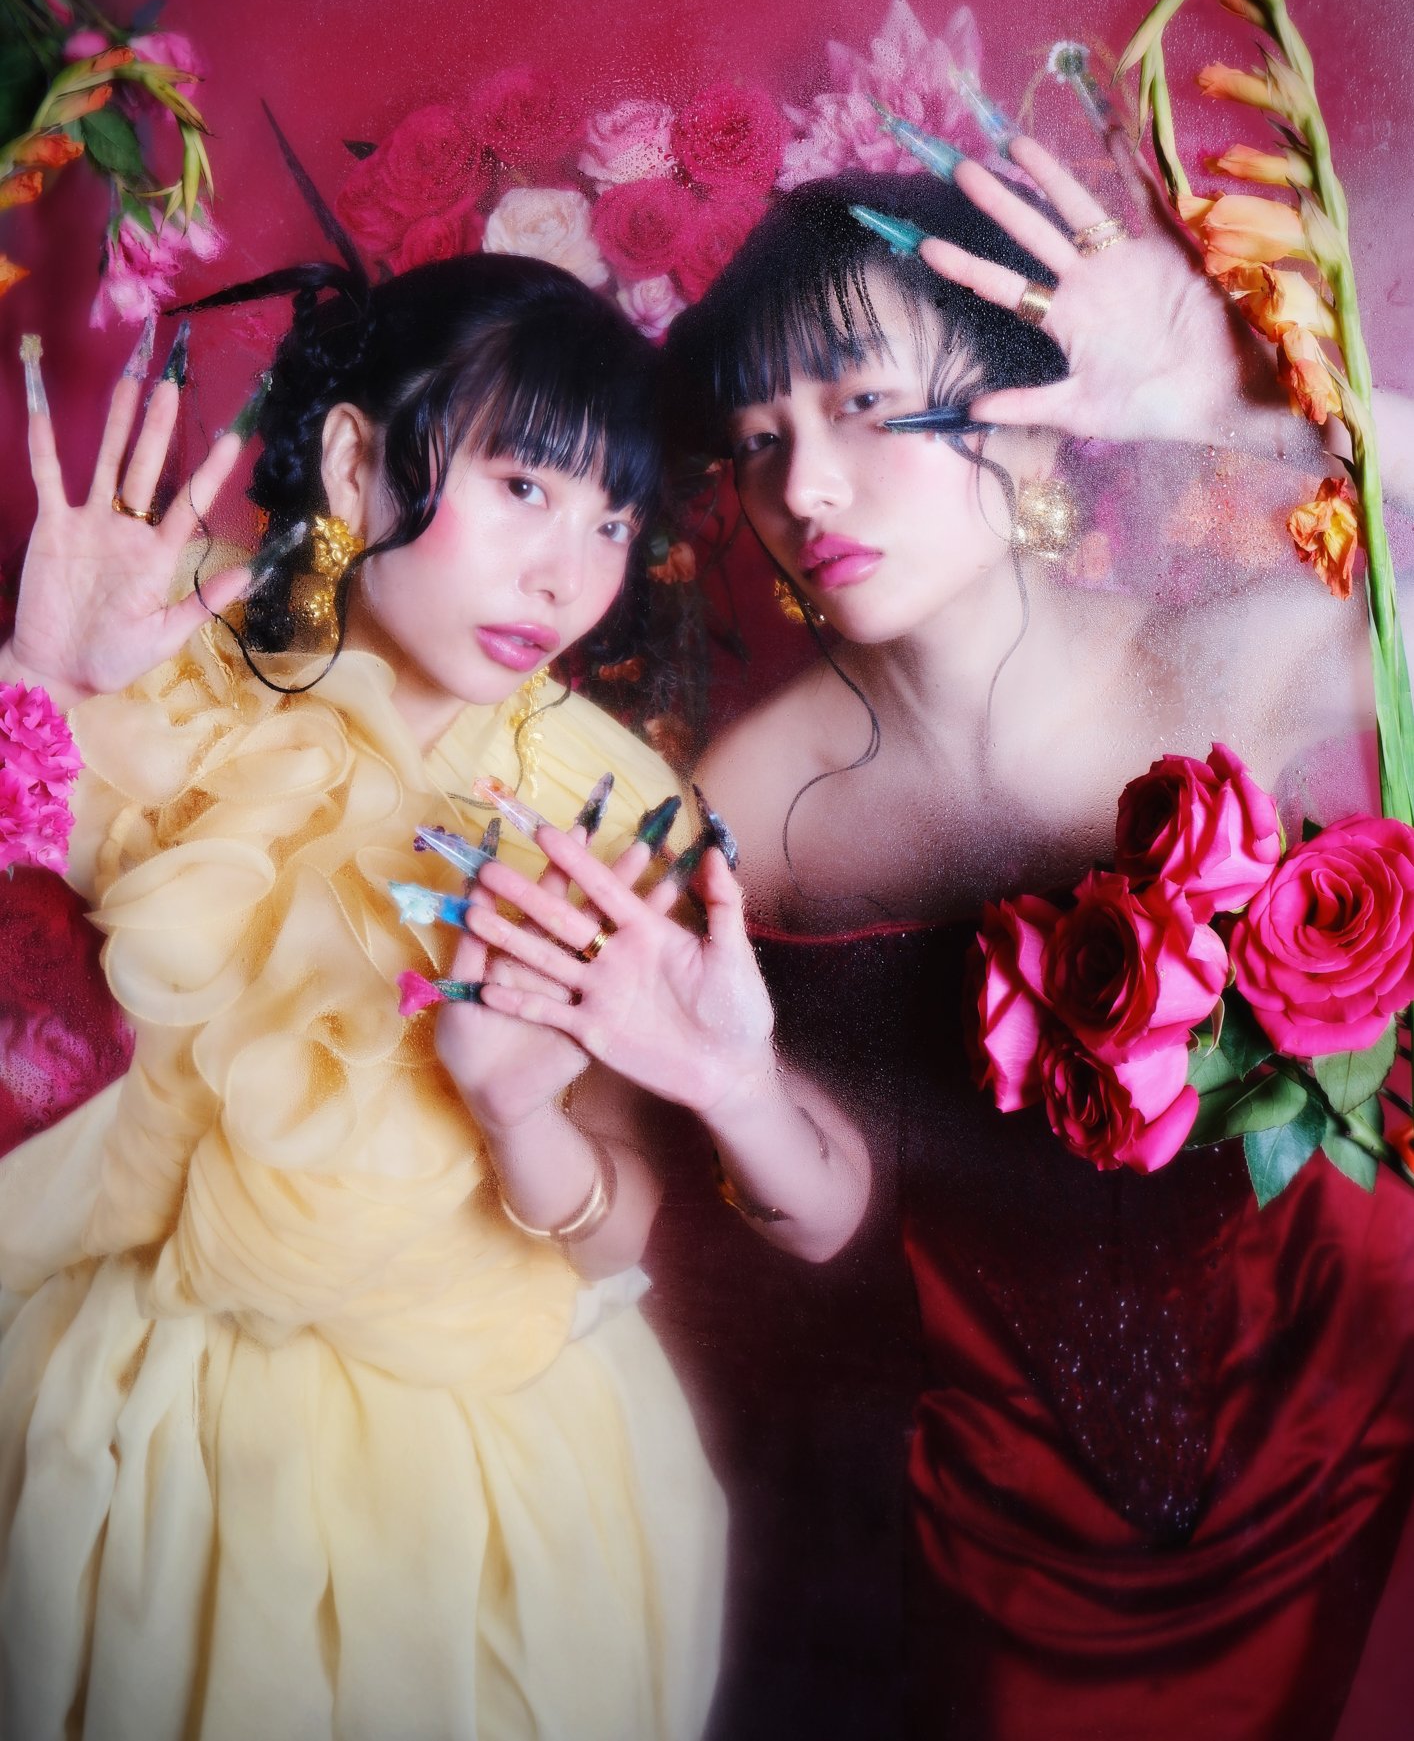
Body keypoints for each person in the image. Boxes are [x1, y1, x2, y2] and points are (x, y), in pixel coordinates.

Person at [471, 150, 1414, 1739]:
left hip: (1317, 1401)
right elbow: (663, 1206)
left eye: (862, 406)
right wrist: (519, 1105)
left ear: (1023, 412)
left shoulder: (1225, 657)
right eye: (759, 442)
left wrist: (1230, 408)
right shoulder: (742, 809)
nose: (803, 490)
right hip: (987, 1479)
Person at [0, 247, 869, 1741]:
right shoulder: (166, 653)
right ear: (354, 462)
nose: (568, 577)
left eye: (611, 520)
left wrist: (519, 1114)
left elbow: (638, 1229)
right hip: (125, 1401)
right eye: (524, 486)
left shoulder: (609, 806)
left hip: (466, 1459)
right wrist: (34, 685)